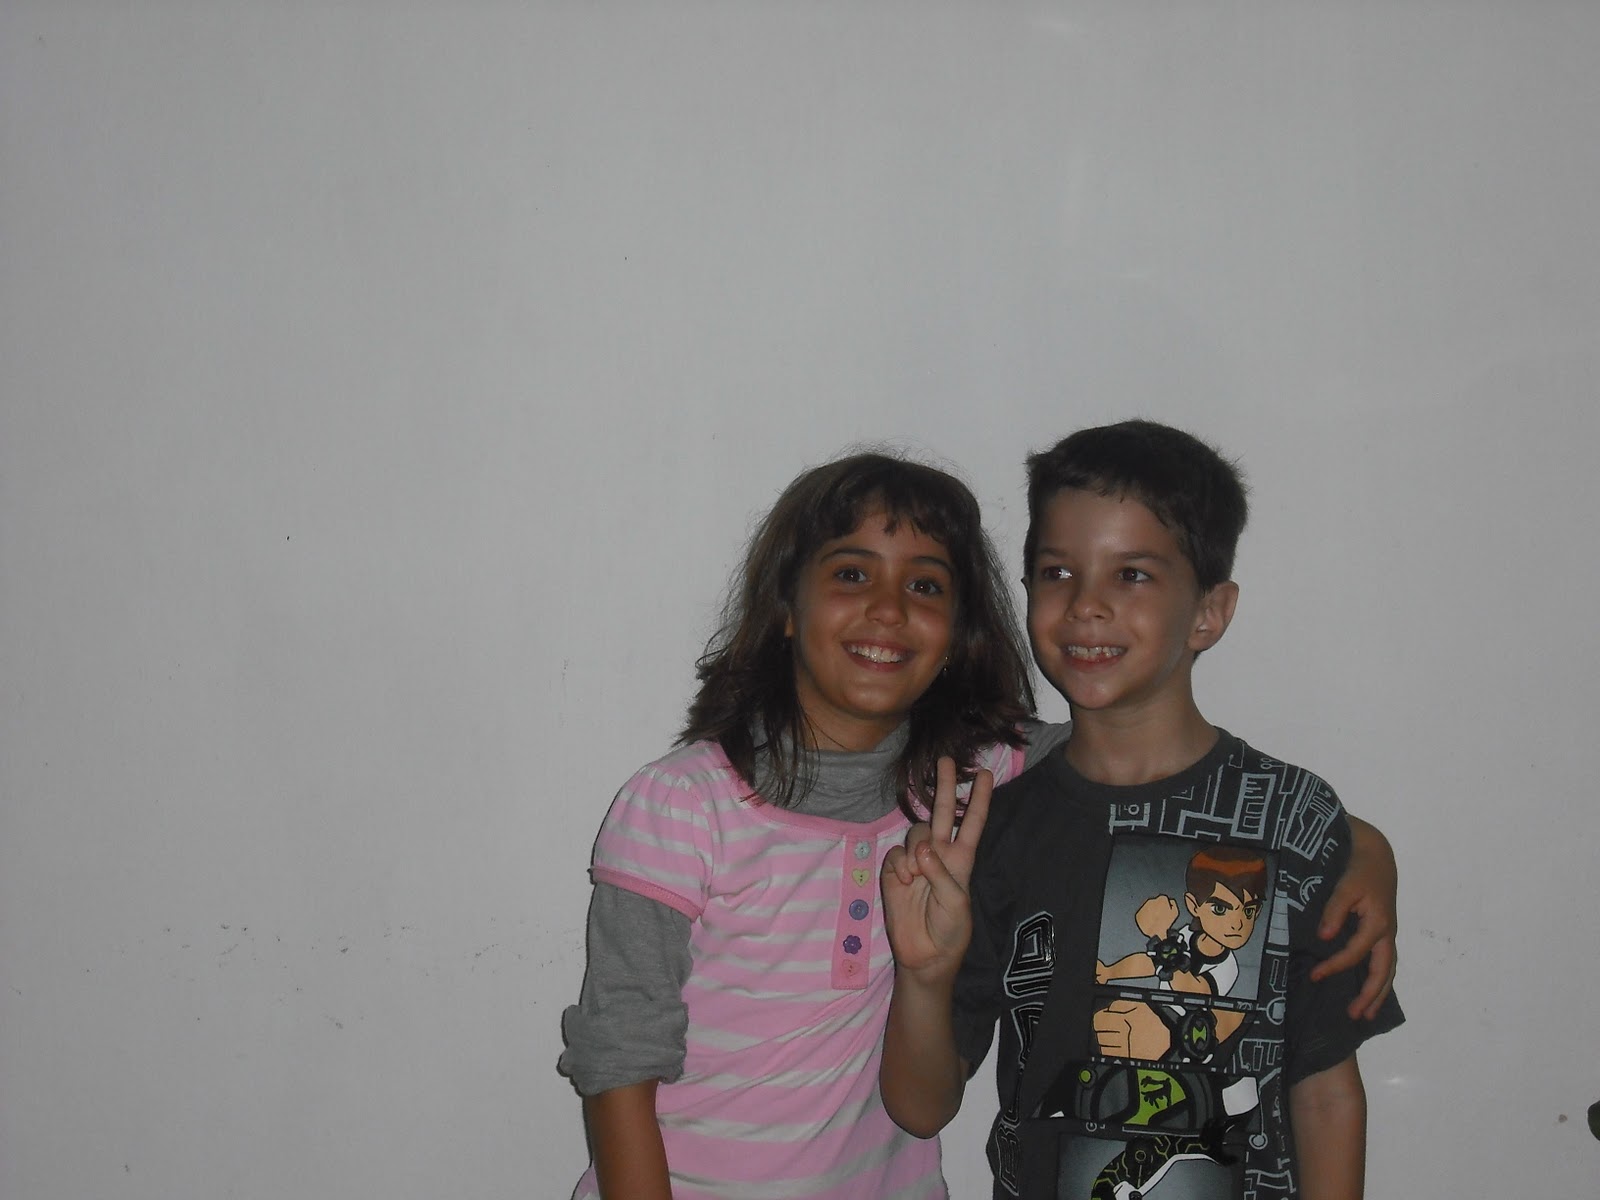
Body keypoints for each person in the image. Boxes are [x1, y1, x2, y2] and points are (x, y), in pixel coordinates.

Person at [561, 449, 1398, 1200]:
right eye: (851, 574)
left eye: (924, 586)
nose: (887, 610)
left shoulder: (970, 782)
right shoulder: (683, 805)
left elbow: (1145, 768)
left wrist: (1361, 846)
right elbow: (618, 1056)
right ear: (787, 604)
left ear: (958, 629)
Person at [880, 421, 1405, 1200]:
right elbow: (920, 1108)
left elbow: (1326, 1093)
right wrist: (923, 979)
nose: (1086, 605)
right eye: (1058, 571)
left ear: (1209, 613)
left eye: (1132, 574)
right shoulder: (997, 830)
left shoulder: (1291, 818)